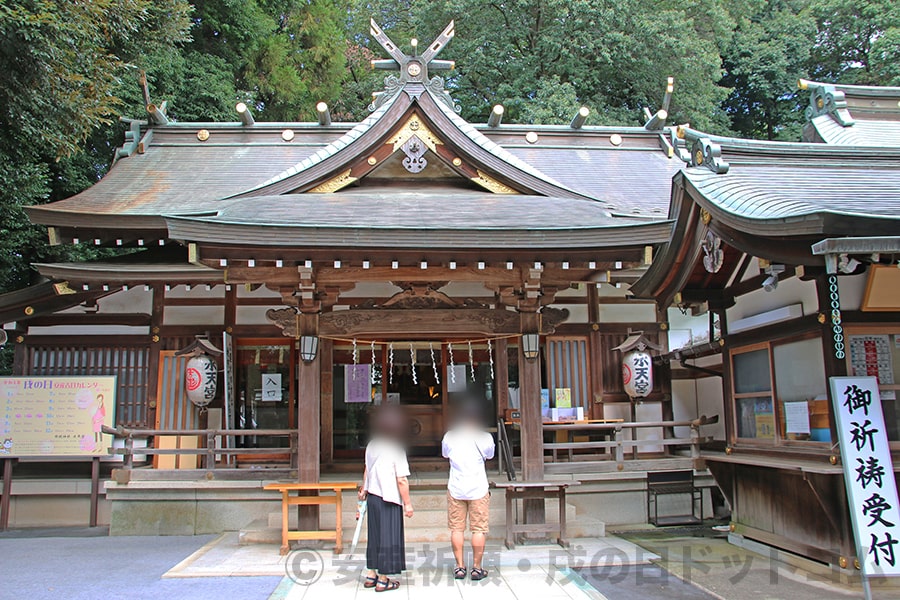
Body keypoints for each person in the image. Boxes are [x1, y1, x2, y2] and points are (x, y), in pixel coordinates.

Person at [359, 405, 413, 592]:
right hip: (389, 498)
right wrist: (407, 504)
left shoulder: (372, 444)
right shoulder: (396, 448)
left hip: (373, 496)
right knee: (388, 538)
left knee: (374, 537)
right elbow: (402, 480)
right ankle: (383, 579)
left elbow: (367, 468)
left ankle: (371, 574)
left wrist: (364, 489)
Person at [441, 400, 495, 581]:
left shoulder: (450, 436)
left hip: (456, 486)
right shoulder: (485, 437)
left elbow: (445, 454)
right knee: (478, 529)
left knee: (457, 528)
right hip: (478, 487)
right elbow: (490, 455)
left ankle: (459, 566)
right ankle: (477, 568)